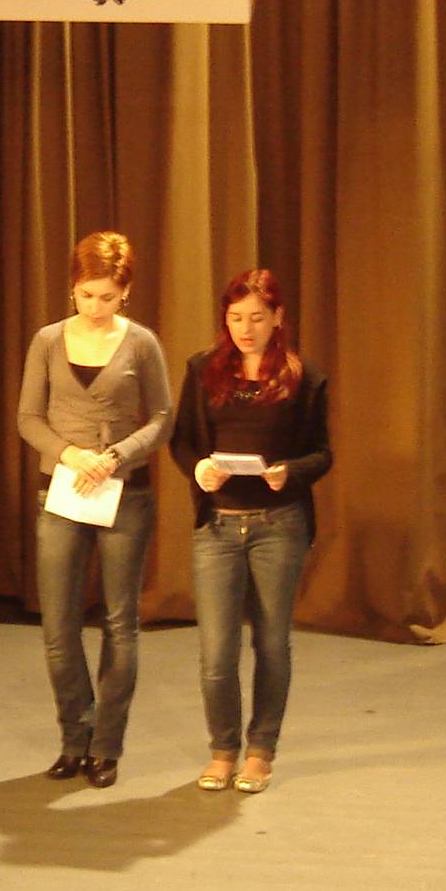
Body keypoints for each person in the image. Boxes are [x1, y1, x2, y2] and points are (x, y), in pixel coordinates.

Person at [15, 231, 171, 789]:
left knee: (119, 623)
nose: (95, 307)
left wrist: (116, 456)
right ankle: (73, 738)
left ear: (125, 291)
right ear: (72, 289)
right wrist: (70, 454)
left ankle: (107, 746)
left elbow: (162, 418)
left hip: (124, 493)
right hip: (61, 491)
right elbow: (28, 418)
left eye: (107, 297)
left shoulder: (142, 343)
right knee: (58, 626)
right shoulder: (47, 340)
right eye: (86, 295)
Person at [168, 268, 331, 794]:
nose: (246, 328)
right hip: (218, 525)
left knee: (271, 643)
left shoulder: (304, 378)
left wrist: (291, 472)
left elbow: (321, 453)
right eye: (236, 317)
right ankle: (222, 751)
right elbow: (182, 441)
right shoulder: (203, 369)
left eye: (257, 318)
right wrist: (199, 469)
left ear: (278, 318)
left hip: (278, 525)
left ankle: (260, 752)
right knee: (217, 652)